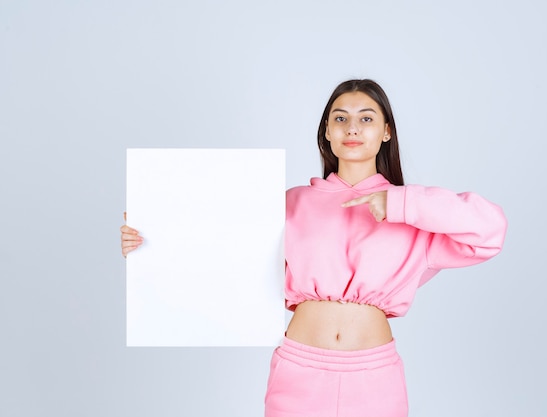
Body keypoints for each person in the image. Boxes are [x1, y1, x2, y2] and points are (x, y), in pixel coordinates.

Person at [121, 79, 507, 417]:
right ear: (326, 131)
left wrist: (400, 204)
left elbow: (490, 231)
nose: (352, 128)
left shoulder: (415, 215)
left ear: (387, 131)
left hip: (374, 380)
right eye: (340, 118)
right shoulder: (291, 202)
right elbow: (218, 252)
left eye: (366, 118)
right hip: (298, 374)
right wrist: (149, 243)